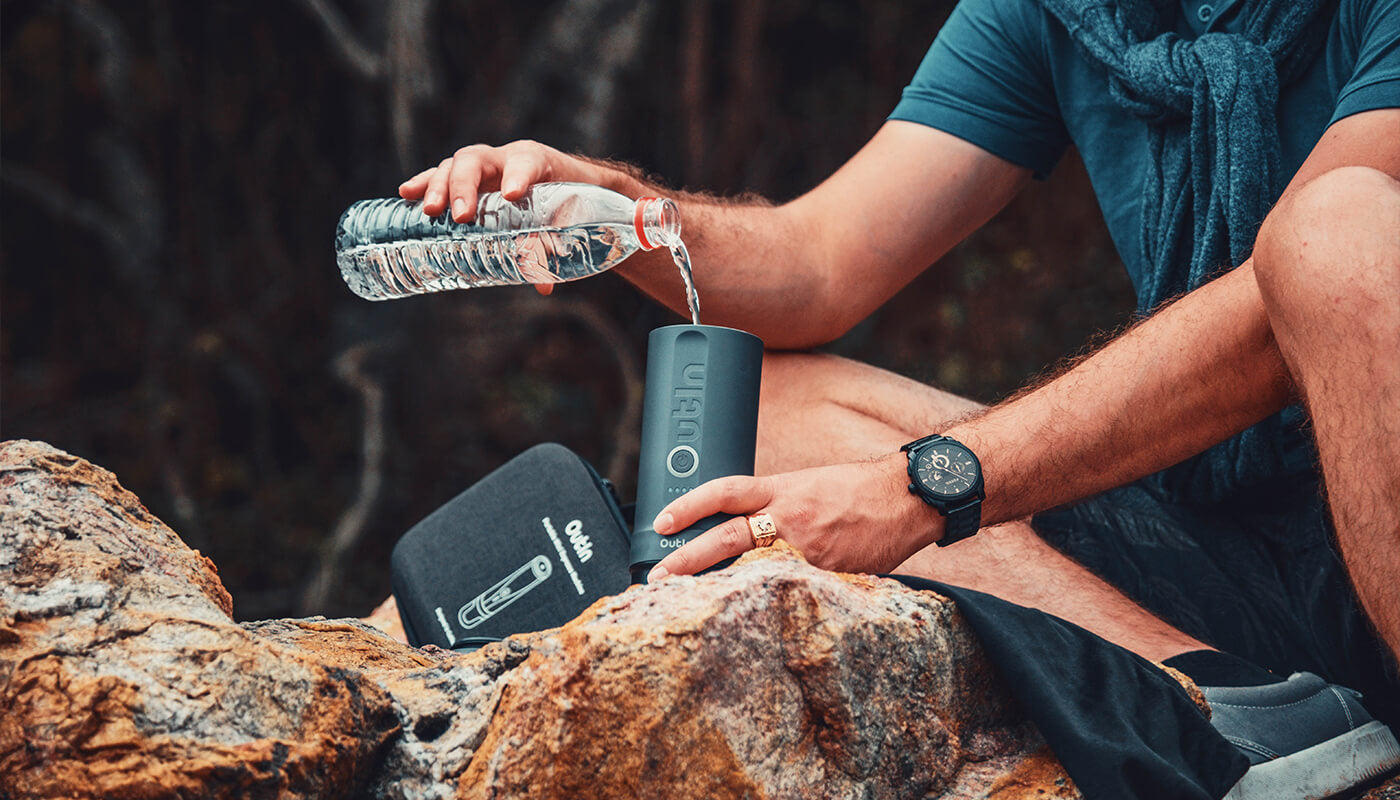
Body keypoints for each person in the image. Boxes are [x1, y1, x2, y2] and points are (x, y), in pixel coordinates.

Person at [399, 0, 1399, 795]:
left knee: (1337, 225)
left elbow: (1290, 305)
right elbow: (819, 262)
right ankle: (1231, 708)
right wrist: (623, 212)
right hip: (1220, 546)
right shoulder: (1068, 12)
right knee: (768, 411)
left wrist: (927, 483)